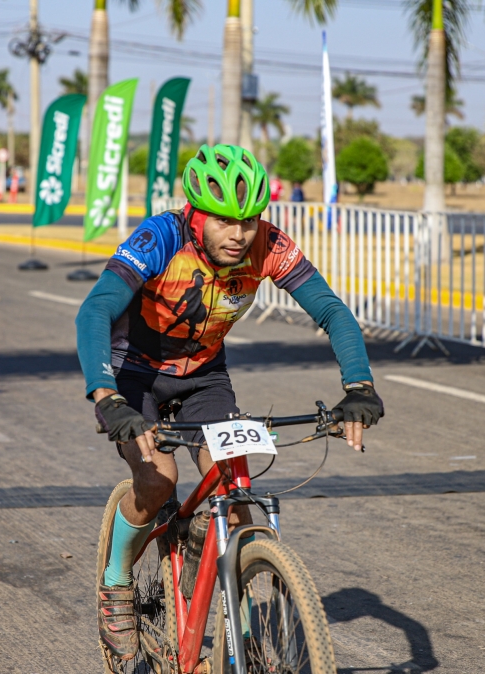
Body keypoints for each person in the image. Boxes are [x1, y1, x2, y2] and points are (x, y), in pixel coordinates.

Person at [76, 144, 384, 661]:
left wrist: (359, 386)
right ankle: (116, 582)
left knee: (235, 496)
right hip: (134, 375)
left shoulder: (269, 245)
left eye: (249, 220)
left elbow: (331, 310)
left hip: (203, 377)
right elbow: (96, 310)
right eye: (224, 221)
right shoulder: (161, 237)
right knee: (159, 481)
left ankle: (218, 584)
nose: (238, 234)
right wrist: (107, 396)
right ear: (197, 215)